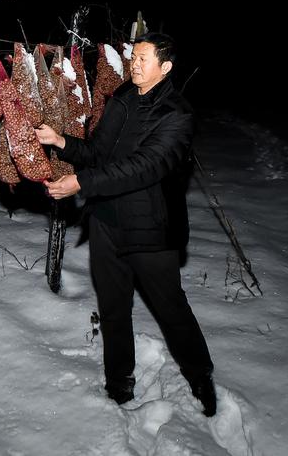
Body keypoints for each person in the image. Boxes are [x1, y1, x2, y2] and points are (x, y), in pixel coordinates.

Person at [35, 32, 217, 416]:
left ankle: (200, 375)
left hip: (150, 229)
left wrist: (81, 183)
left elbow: (143, 167)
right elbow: (99, 152)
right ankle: (119, 381)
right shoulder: (122, 98)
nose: (134, 64)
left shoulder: (177, 115)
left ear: (165, 67)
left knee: (171, 309)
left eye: (143, 58)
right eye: (134, 56)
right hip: (106, 222)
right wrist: (62, 142)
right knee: (113, 308)